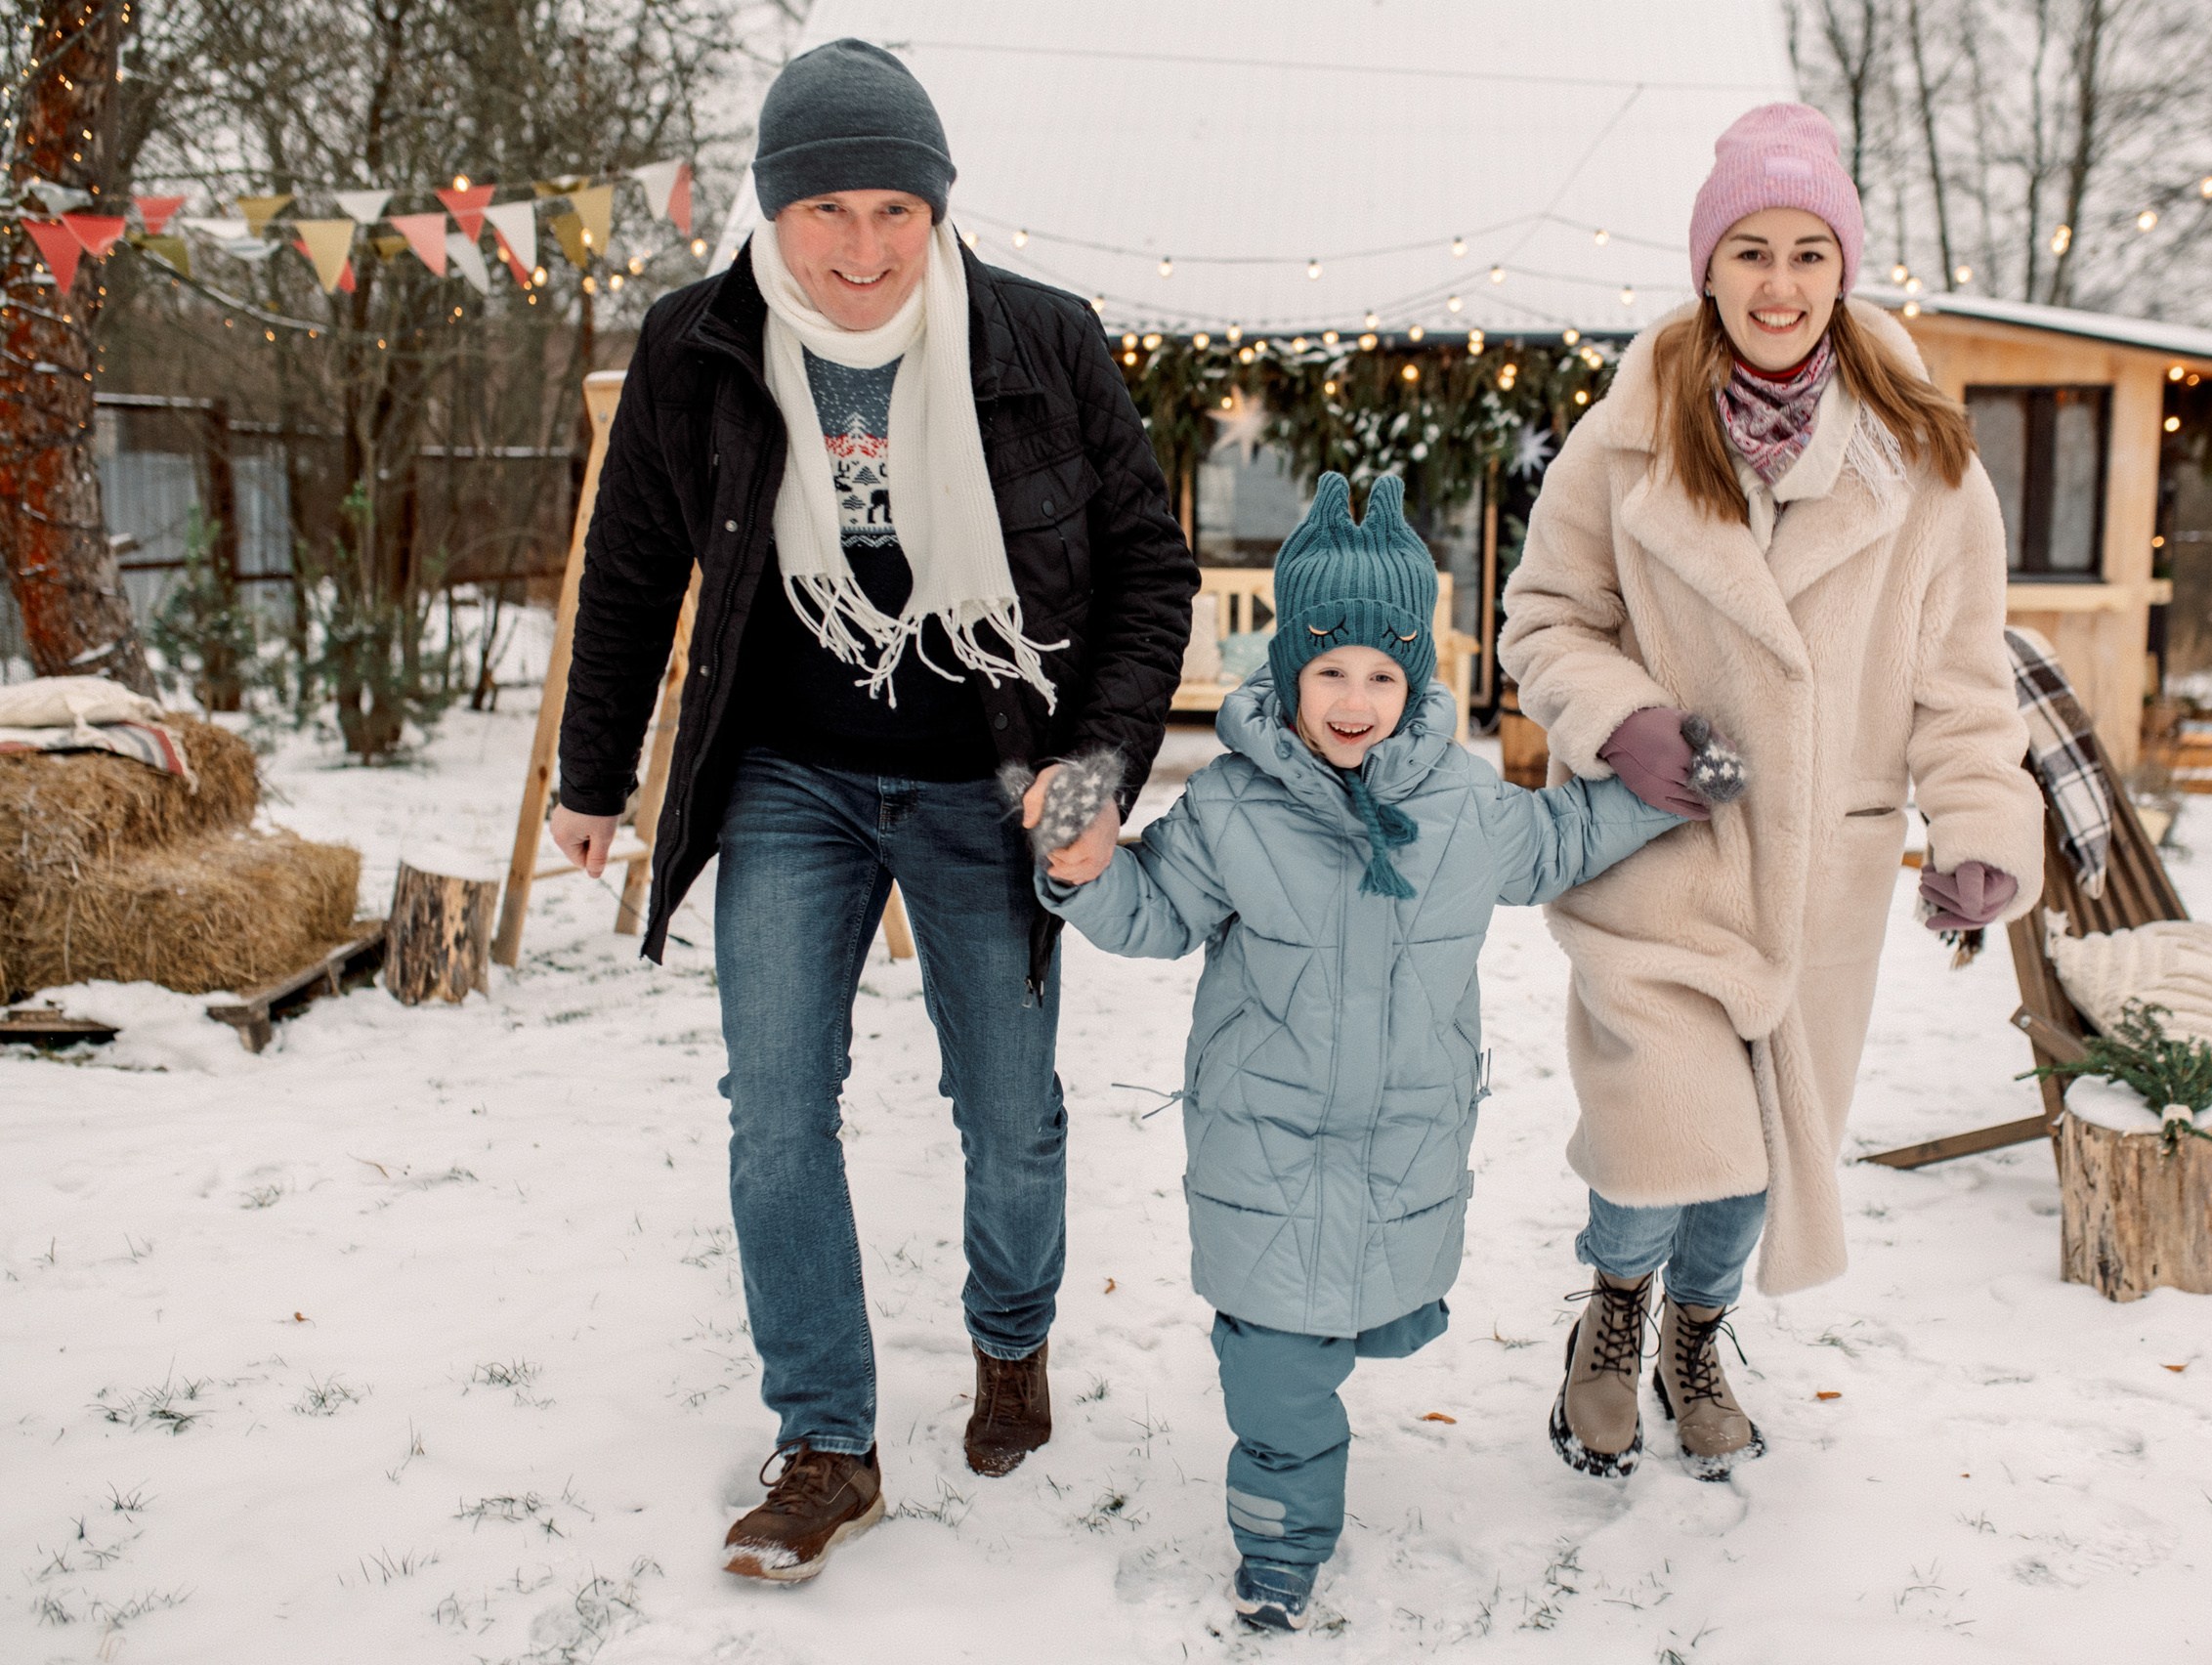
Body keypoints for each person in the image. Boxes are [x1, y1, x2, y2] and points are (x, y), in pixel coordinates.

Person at [547, 39, 1197, 1583]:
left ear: (938, 208)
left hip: (993, 773)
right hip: (791, 776)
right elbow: (634, 572)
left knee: (1011, 1113)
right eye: (825, 209)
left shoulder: (1043, 340)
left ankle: (1011, 1337)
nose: (859, 247)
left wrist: (1092, 766)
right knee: (776, 1110)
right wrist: (591, 774)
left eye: (893, 209)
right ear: (774, 211)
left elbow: (1144, 574)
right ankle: (828, 1441)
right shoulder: (696, 345)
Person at [1040, 472, 1697, 1631]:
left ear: (1417, 675)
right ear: (1288, 670)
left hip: (1404, 1143)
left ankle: (1325, 1389)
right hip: (1262, 1146)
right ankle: (1282, 1551)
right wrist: (1081, 874)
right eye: (1328, 670)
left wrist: (1673, 784)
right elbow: (1154, 916)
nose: (1354, 697)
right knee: (1274, 1366)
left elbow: (1564, 839)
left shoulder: (1459, 805)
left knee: (1355, 1316)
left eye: (1382, 673)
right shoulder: (1233, 809)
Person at [1500, 103, 2044, 1483]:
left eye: (1809, 251)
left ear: (1843, 268)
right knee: (1656, 1138)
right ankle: (1614, 1316)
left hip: (1822, 879)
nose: (1781, 285)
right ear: (1708, 265)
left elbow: (1966, 681)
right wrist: (1621, 722)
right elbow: (1546, 618)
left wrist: (1978, 826)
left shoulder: (1925, 463)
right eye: (1751, 250)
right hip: (1660, 857)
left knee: (1755, 1161)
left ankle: (1698, 1330)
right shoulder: (1624, 440)